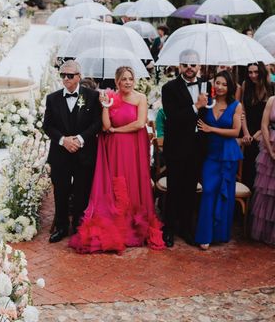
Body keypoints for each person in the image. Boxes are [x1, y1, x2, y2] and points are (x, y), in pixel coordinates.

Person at [69, 66, 165, 253]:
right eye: (123, 79)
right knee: (115, 185)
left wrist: (118, 131)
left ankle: (132, 224)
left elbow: (139, 123)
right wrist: (105, 106)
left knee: (132, 182)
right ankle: (116, 222)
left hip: (133, 148)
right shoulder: (111, 98)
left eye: (130, 78)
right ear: (117, 81)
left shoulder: (141, 98)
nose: (127, 82)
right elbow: (106, 127)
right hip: (114, 149)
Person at [43, 60, 102, 242]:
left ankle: (78, 225)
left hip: (84, 153)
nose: (66, 79)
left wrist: (80, 139)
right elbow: (47, 125)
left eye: (70, 75)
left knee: (81, 191)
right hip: (60, 153)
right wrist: (63, 140)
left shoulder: (92, 96)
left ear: (79, 76)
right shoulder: (52, 98)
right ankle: (61, 227)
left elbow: (97, 124)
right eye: (63, 75)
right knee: (60, 191)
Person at [161, 49, 209, 247]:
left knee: (190, 190)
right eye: (185, 64)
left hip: (197, 148)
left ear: (198, 66)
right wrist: (195, 106)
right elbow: (173, 117)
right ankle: (169, 229)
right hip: (176, 148)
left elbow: (209, 114)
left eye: (193, 64)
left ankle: (186, 228)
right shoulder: (169, 88)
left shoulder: (206, 86)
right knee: (174, 189)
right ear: (180, 66)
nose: (189, 68)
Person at [195, 71, 242, 250]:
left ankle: (220, 233)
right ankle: (204, 235)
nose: (220, 87)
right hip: (210, 154)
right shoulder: (207, 103)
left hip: (227, 154)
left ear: (229, 86)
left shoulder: (236, 106)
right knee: (208, 191)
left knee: (224, 192)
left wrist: (211, 129)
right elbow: (196, 124)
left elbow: (236, 132)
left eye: (224, 84)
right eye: (218, 83)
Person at [238, 62, 273, 190]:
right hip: (248, 129)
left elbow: (272, 115)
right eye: (250, 72)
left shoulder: (271, 87)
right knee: (248, 168)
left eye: (256, 72)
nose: (253, 75)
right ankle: (245, 207)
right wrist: (246, 132)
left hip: (264, 131)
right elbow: (242, 110)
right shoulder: (246, 85)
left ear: (262, 71)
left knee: (261, 171)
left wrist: (261, 132)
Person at [251, 94, 275, 245]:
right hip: (269, 148)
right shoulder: (272, 100)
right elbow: (264, 125)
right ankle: (266, 232)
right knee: (267, 190)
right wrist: (271, 151)